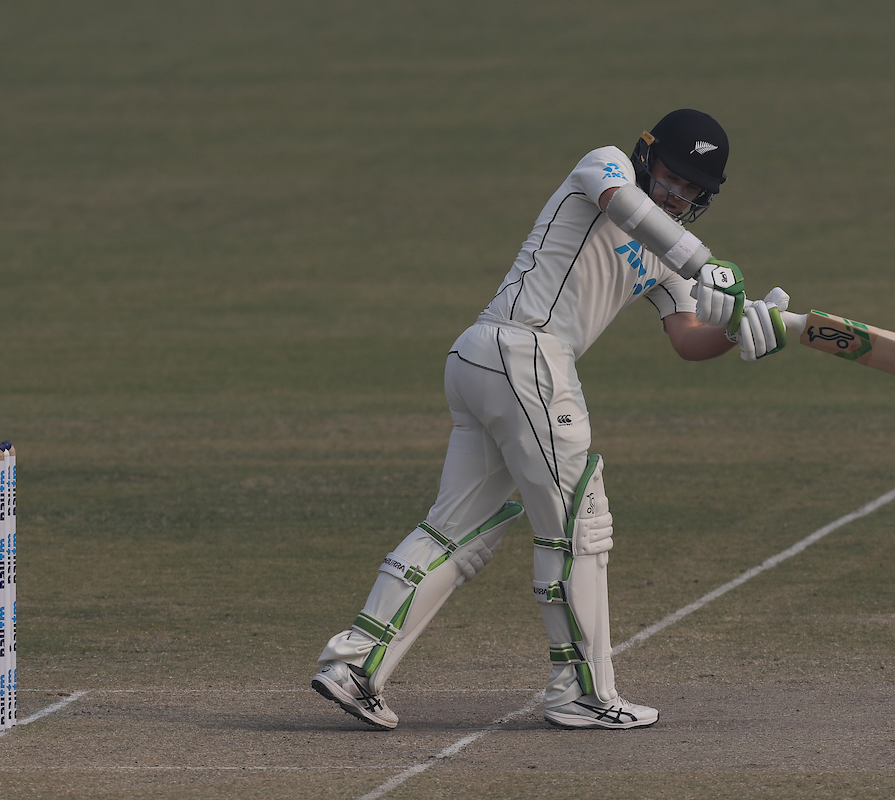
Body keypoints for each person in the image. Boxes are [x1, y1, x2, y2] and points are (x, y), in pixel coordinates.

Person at [312, 109, 790, 730]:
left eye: (693, 188)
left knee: (460, 531)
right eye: (673, 176)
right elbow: (626, 208)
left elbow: (686, 338)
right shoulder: (605, 166)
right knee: (580, 526)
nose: (678, 194)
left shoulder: (667, 255)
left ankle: (354, 663)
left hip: (487, 364)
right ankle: (583, 693)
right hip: (524, 353)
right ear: (648, 157)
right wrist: (709, 265)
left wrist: (737, 330)